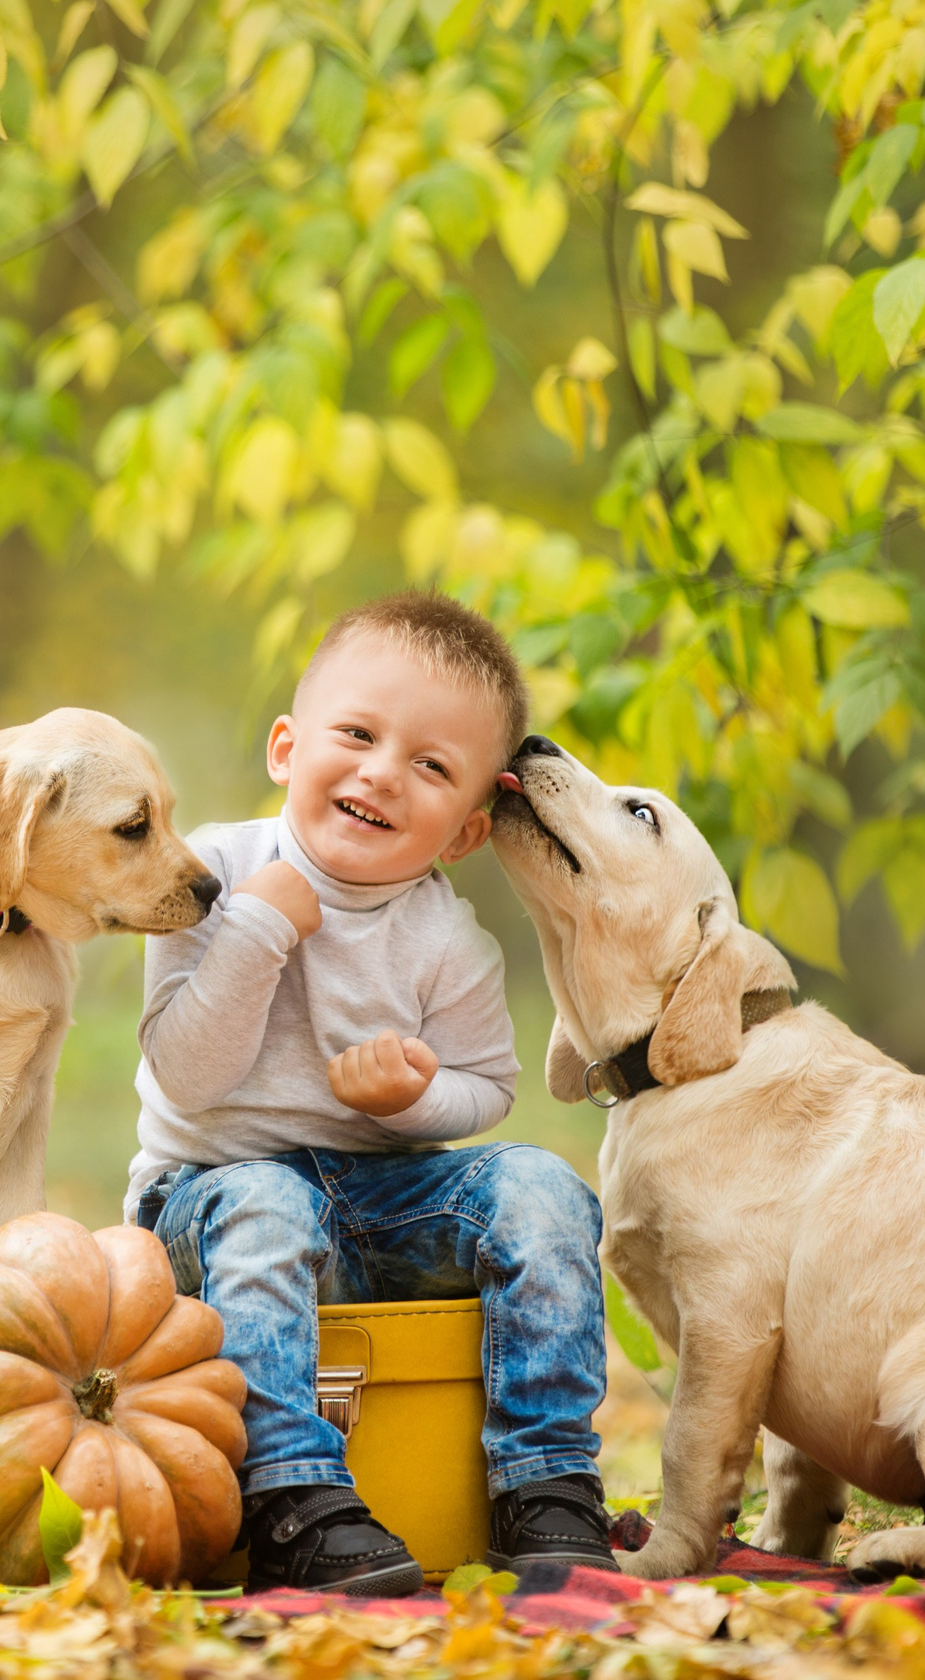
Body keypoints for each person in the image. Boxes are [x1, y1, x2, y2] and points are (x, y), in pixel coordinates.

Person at [127, 591, 612, 1596]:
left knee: (540, 1187)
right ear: (285, 748)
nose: (382, 772)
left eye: (430, 766)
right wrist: (258, 932)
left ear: (466, 832)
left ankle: (546, 1483)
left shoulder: (448, 941)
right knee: (269, 1204)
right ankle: (290, 1499)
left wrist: (412, 1105)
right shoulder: (208, 874)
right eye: (356, 734)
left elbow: (488, 1089)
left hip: (380, 1200)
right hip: (206, 1197)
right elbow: (185, 1073)